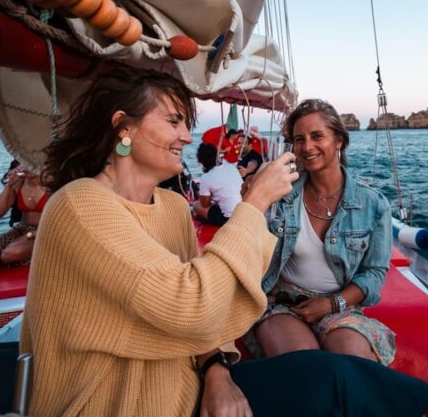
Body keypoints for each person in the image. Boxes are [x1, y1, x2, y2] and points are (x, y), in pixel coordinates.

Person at [19, 67, 299, 416]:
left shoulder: (173, 207)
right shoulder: (78, 205)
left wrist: (217, 371)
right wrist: (254, 203)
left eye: (185, 123)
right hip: (112, 404)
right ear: (124, 126)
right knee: (332, 386)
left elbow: (212, 305)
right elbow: (191, 305)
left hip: (188, 389)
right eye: (173, 121)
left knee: (333, 377)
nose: (186, 135)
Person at [250, 99, 396, 366]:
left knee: (352, 362)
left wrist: (333, 304)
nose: (307, 147)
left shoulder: (373, 204)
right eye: (299, 139)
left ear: (338, 140)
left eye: (317, 136)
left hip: (340, 304)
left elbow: (375, 273)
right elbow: (251, 245)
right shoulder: (280, 196)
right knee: (306, 367)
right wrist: (253, 195)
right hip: (283, 302)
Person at [0, 164, 50, 270]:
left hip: (46, 232)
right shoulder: (19, 184)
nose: (24, 166)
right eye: (21, 162)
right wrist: (9, 186)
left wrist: (29, 235)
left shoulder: (52, 185)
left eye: (27, 162)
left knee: (9, 254)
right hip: (21, 229)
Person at [193, 142, 243, 226]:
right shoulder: (231, 166)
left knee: (196, 205)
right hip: (243, 213)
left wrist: (201, 195)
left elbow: (205, 204)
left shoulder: (206, 177)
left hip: (229, 219)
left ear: (201, 161)